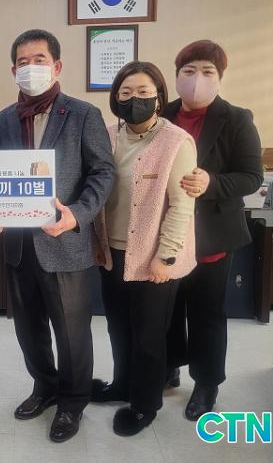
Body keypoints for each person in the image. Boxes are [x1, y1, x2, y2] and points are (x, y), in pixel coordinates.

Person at [0, 29, 115, 443]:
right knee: (29, 329)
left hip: (65, 242)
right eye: (23, 62)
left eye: (39, 60)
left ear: (57, 66)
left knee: (71, 331)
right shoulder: (2, 120)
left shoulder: (83, 114)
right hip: (18, 245)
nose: (31, 68)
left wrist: (77, 215)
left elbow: (103, 173)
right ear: (13, 70)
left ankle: (73, 401)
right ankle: (44, 386)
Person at [90, 61, 197, 436]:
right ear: (114, 98)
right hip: (112, 253)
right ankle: (123, 384)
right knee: (118, 326)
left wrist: (165, 256)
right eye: (125, 92)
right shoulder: (106, 135)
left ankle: (145, 404)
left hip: (155, 257)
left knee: (149, 335)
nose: (133, 99)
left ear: (159, 98)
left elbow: (182, 205)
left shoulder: (176, 142)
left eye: (143, 92)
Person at [163, 40, 263, 420]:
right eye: (189, 71)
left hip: (212, 235)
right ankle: (169, 366)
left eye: (207, 71)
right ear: (176, 76)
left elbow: (251, 176)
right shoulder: (162, 115)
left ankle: (206, 384)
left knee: (206, 312)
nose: (197, 79)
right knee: (167, 308)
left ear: (220, 77)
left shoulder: (236, 119)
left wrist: (212, 183)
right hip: (166, 232)